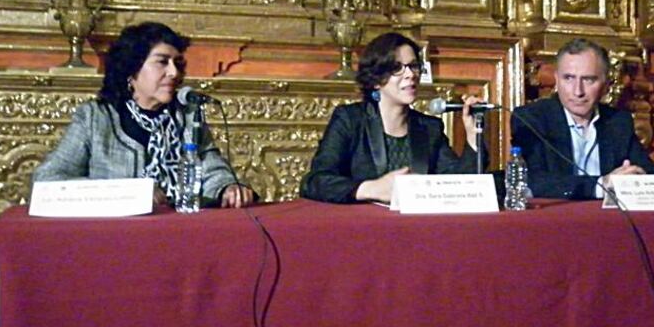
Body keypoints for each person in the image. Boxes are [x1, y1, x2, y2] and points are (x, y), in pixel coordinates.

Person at [32, 22, 253, 208]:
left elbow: (211, 168)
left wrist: (227, 187)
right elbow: (47, 181)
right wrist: (132, 193)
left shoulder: (187, 116)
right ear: (132, 68)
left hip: (180, 231)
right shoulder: (95, 118)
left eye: (178, 63)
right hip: (115, 237)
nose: (174, 73)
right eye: (162, 62)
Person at [300, 32, 482, 203]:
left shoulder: (429, 127)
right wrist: (372, 188)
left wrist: (474, 138)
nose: (410, 74)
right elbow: (315, 182)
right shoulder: (350, 119)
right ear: (376, 79)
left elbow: (460, 187)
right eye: (397, 68)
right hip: (364, 227)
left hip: (418, 228)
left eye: (413, 66)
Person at [510, 38, 654, 199]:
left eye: (588, 80)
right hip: (557, 217)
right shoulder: (532, 118)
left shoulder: (618, 122)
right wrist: (600, 185)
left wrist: (634, 178)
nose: (578, 91)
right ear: (557, 79)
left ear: (605, 83)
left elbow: (650, 175)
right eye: (568, 78)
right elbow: (531, 180)